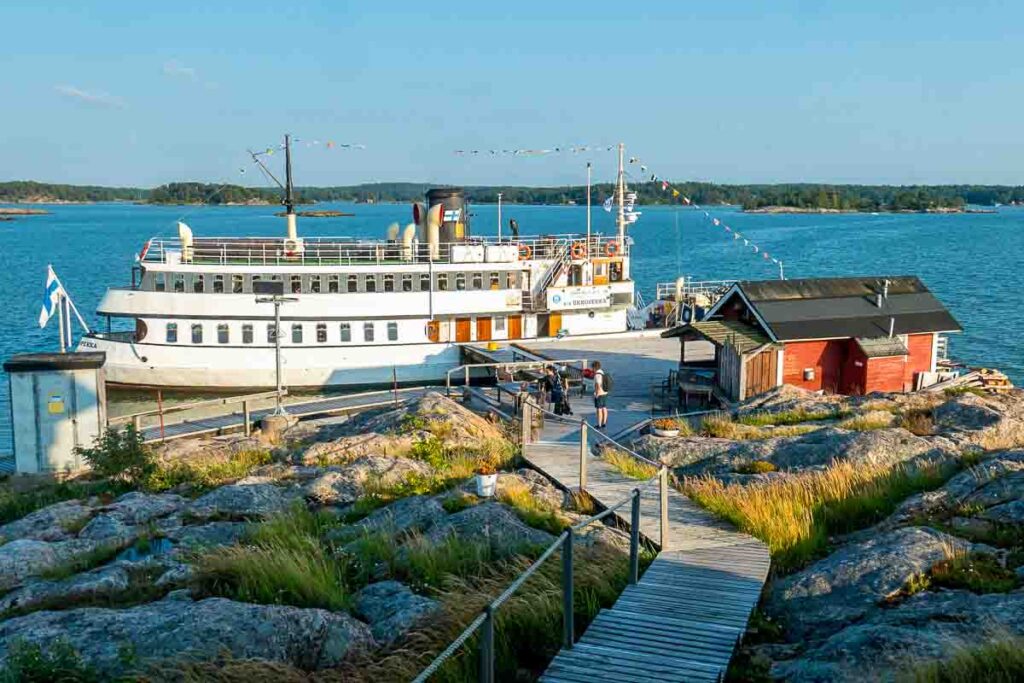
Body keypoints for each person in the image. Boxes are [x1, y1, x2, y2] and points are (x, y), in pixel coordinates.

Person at [592, 360, 608, 429]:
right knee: (604, 407)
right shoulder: (602, 372)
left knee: (599, 409)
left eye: (592, 368)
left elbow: (598, 385)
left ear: (594, 367)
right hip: (605, 392)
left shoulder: (597, 375)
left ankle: (599, 424)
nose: (592, 369)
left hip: (600, 393)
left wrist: (597, 394)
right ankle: (604, 423)